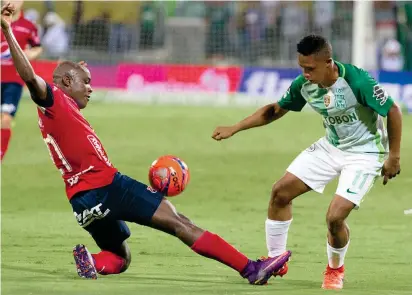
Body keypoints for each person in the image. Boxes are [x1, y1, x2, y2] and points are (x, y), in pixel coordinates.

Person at [0, 2, 291, 285]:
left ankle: (92, 259)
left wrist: (77, 72)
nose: (90, 88)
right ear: (64, 82)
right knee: (181, 223)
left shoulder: (60, 109)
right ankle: (251, 269)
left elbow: (63, 84)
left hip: (81, 201)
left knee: (120, 257)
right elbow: (29, 77)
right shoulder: (53, 98)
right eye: (84, 83)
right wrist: (7, 29)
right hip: (107, 185)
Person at [212, 34, 402, 290]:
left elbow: (393, 110)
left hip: (365, 154)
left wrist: (394, 156)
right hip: (331, 147)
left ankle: (335, 269)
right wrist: (235, 128)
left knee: (334, 218)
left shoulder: (356, 80)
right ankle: (275, 258)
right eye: (302, 68)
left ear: (329, 62)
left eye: (310, 68)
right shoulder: (305, 84)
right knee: (280, 192)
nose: (306, 74)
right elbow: (275, 110)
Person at [1, 0, 42, 161]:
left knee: (5, 119)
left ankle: (0, 156)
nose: (12, 2)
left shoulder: (29, 26)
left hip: (14, 80)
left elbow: (38, 47)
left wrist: (28, 55)